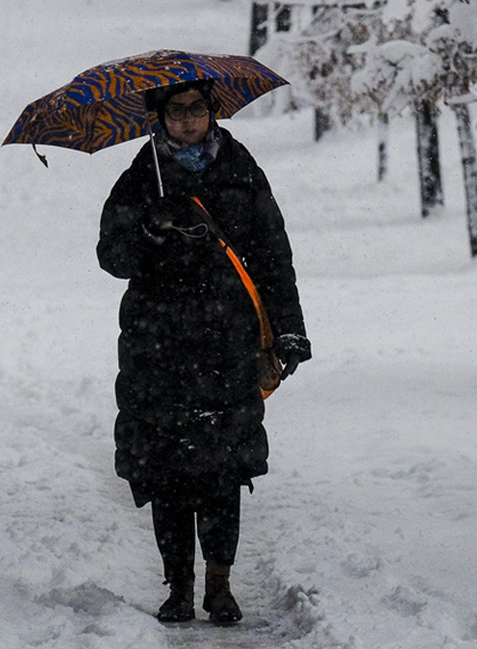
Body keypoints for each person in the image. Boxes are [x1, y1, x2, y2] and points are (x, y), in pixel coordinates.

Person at [96, 79, 311, 624]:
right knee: (166, 471)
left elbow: (272, 254)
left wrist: (289, 329)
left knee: (222, 471)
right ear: (159, 118)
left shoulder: (240, 171)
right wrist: (153, 228)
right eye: (177, 112)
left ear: (213, 112)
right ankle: (179, 588)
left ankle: (219, 585)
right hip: (158, 347)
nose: (188, 121)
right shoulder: (141, 180)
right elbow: (112, 256)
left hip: (226, 343)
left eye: (197, 110)